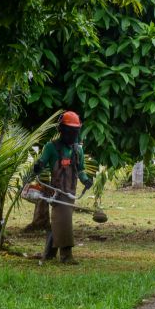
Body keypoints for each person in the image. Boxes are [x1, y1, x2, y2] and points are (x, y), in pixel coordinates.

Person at [32, 111, 93, 264]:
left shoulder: (78, 150)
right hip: (56, 192)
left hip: (71, 192)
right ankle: (66, 256)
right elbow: (41, 163)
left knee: (58, 221)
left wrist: (86, 180)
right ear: (61, 130)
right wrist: (38, 166)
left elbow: (80, 170)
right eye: (69, 131)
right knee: (63, 218)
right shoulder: (50, 148)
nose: (72, 135)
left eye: (75, 132)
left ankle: (49, 254)